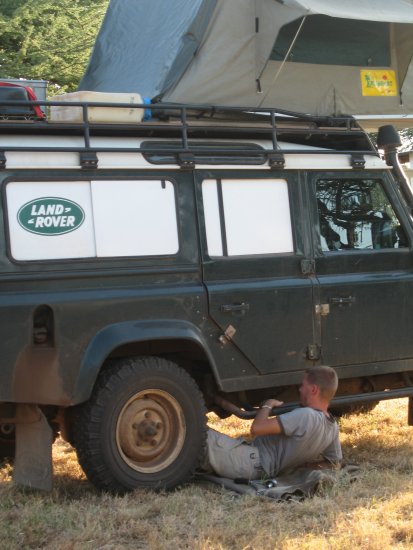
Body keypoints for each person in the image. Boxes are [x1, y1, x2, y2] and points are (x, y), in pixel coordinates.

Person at [201, 366, 342, 480]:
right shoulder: (333, 427)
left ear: (313, 389)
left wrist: (268, 405)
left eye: (302, 385)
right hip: (262, 469)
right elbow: (334, 463)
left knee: (196, 432)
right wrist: (304, 466)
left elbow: (256, 428)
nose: (299, 389)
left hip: (250, 463)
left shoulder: (306, 415)